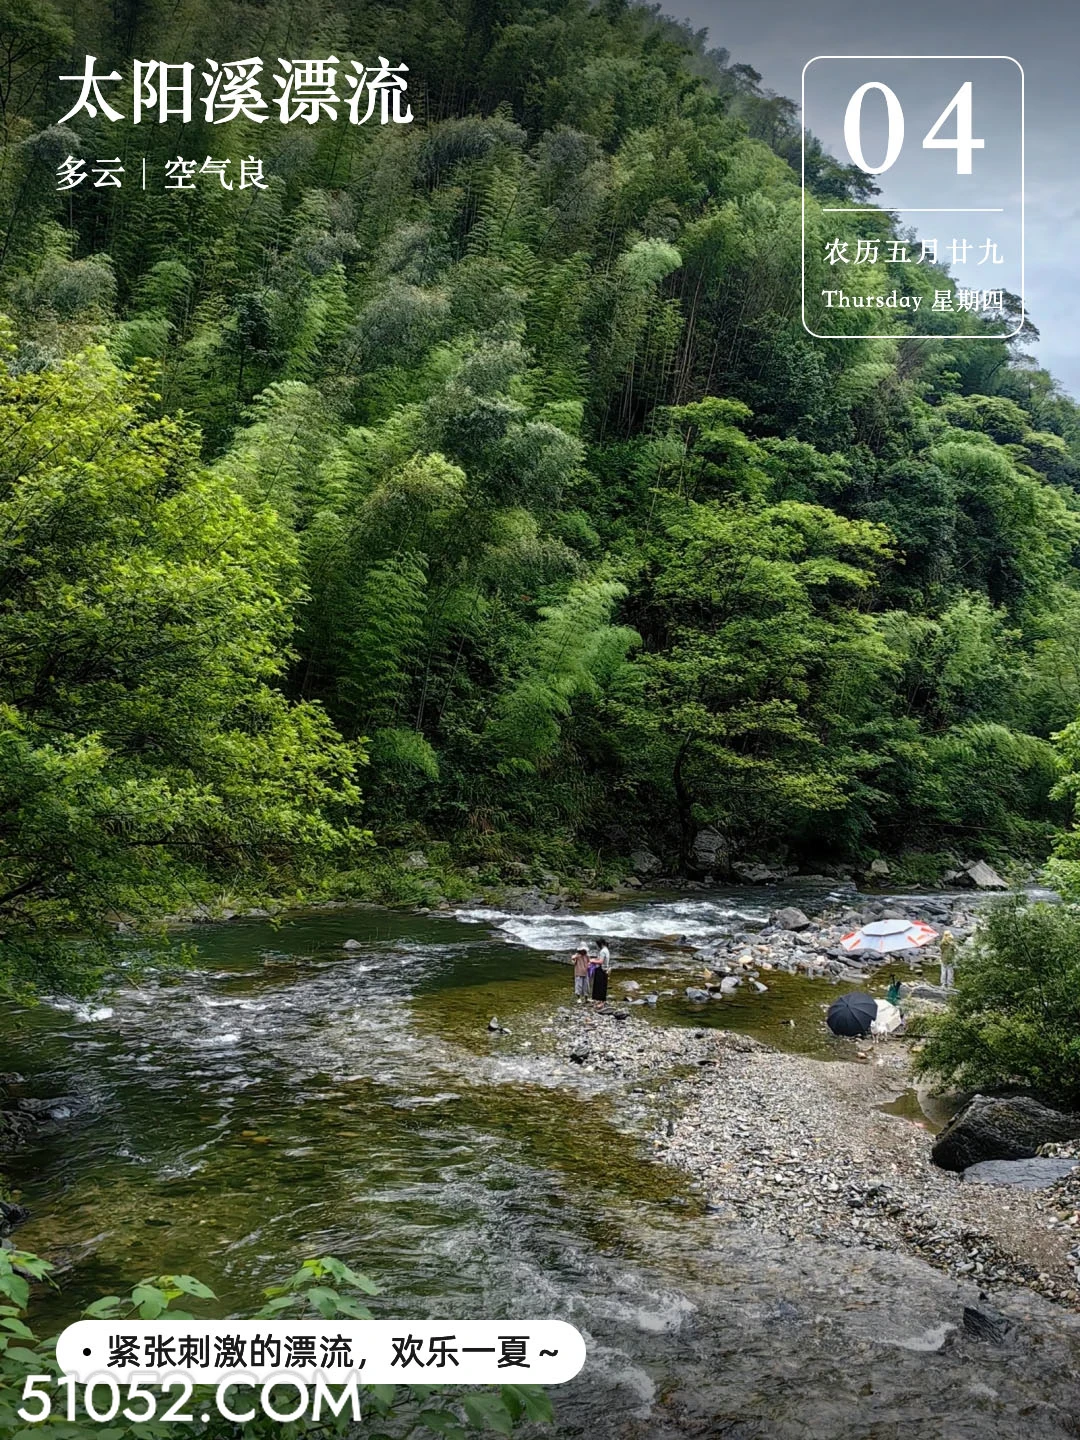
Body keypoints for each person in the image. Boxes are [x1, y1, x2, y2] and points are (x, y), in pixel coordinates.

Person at [591, 939, 611, 1004]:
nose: (598, 946)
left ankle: (601, 1001)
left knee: (599, 986)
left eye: (598, 945)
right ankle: (601, 1000)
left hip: (601, 970)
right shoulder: (606, 950)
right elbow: (601, 959)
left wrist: (591, 961)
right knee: (603, 986)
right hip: (605, 969)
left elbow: (600, 961)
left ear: (601, 944)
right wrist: (595, 959)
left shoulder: (602, 951)